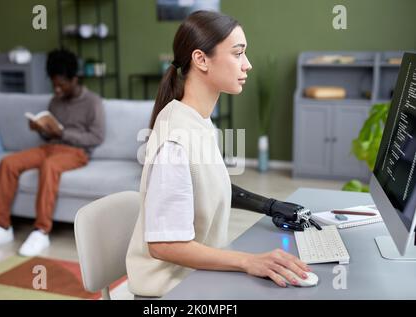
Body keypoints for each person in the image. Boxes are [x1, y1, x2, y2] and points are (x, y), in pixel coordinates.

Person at [126, 10, 311, 297]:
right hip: (169, 291)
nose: (247, 65)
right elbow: (164, 245)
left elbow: (210, 184)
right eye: (238, 54)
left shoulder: (198, 119)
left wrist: (270, 206)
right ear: (200, 59)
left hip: (197, 278)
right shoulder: (175, 142)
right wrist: (248, 262)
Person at [0, 49, 105, 256]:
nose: (57, 89)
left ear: (75, 79)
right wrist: (41, 129)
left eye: (61, 84)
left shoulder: (93, 102)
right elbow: (50, 133)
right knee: (8, 163)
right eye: (54, 84)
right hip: (49, 147)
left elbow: (96, 137)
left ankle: (41, 231)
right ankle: (1, 227)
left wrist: (63, 132)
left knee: (49, 167)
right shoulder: (55, 101)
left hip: (76, 152)